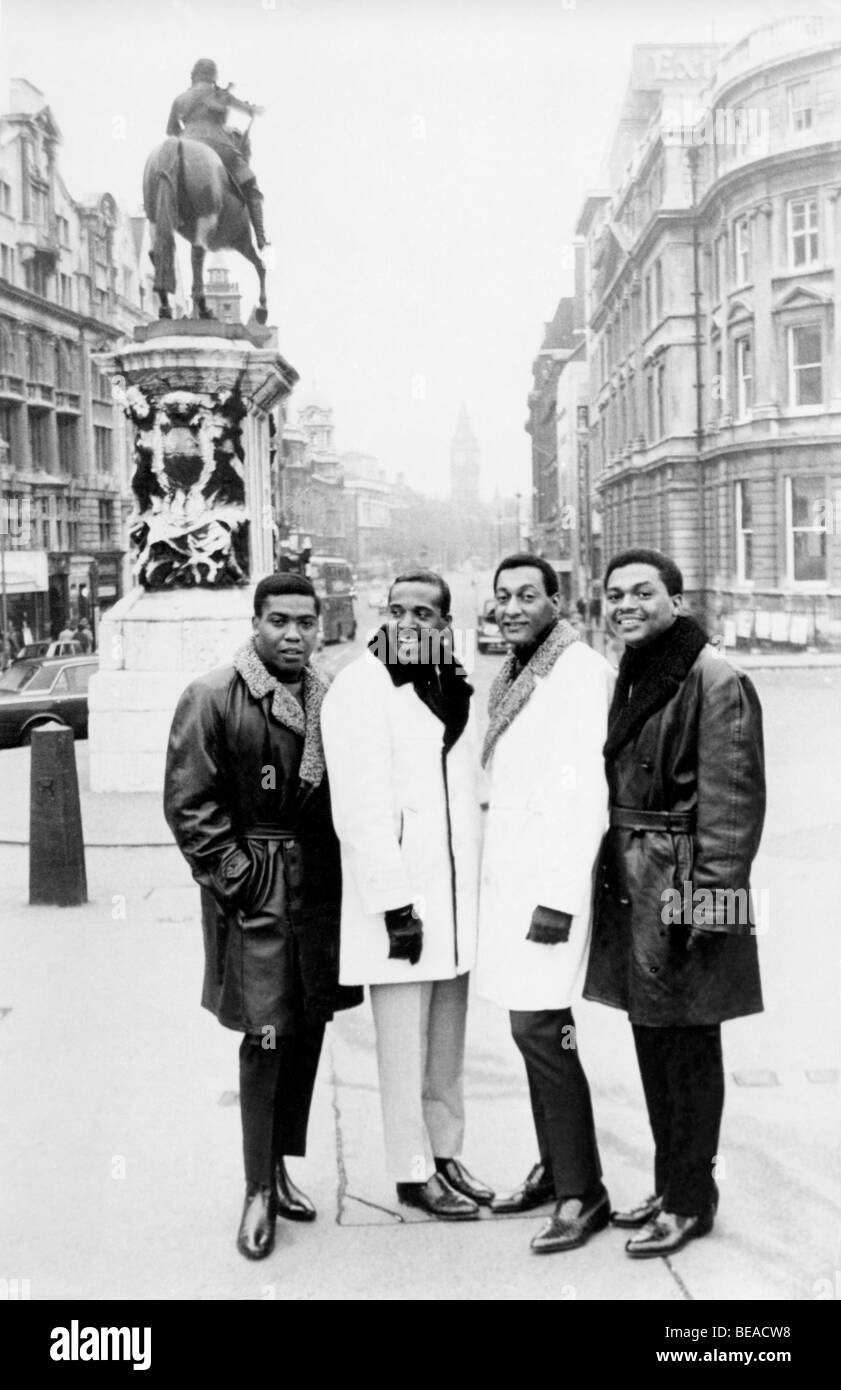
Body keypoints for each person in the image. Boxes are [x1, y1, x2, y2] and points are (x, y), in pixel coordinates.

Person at [164, 573, 362, 1260]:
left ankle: (279, 1170)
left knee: (305, 1029)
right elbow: (191, 805)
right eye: (279, 621)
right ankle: (255, 1188)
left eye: (305, 623)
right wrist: (240, 880)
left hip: (317, 892)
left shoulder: (329, 696)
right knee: (265, 1036)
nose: (293, 635)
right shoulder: (214, 695)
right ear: (256, 622)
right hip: (258, 890)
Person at [584, 548, 765, 1258]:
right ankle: (671, 1184)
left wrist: (709, 913)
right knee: (654, 1040)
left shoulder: (713, 678)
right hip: (640, 883)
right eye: (614, 595)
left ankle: (690, 1199)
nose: (625, 605)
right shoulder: (641, 670)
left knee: (689, 1049)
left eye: (641, 593)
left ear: (674, 600)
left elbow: (731, 810)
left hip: (686, 886)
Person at [321, 569, 493, 1219]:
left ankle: (445, 1153)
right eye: (397, 610)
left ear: (444, 624)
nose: (409, 622)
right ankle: (409, 1169)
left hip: (452, 901)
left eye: (424, 613)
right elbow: (360, 812)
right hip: (400, 905)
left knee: (446, 1042)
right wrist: (395, 904)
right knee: (401, 1047)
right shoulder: (362, 687)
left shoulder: (453, 686)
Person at [475, 554, 614, 1254]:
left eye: (527, 595)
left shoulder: (578, 670)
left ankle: (582, 1194)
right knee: (528, 1031)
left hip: (547, 890)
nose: (511, 606)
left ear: (555, 601)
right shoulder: (518, 670)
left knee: (542, 1032)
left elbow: (586, 793)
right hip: (515, 882)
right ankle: (555, 1167)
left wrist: (558, 898)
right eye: (502, 596)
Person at [166, 58, 269, 249]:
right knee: (251, 184)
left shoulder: (180, 99)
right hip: (219, 146)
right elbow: (249, 110)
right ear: (213, 76)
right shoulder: (220, 95)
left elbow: (171, 130)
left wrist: (186, 138)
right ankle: (261, 238)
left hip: (184, 144)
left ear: (194, 76)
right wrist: (255, 110)